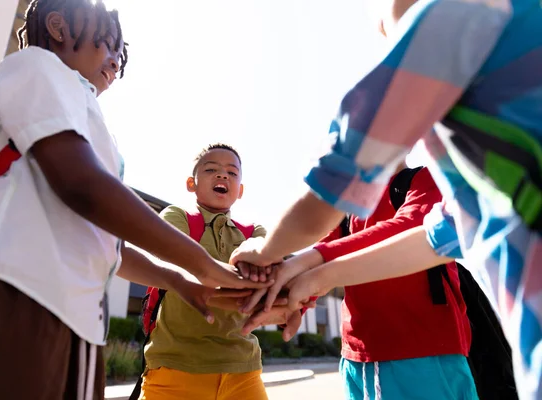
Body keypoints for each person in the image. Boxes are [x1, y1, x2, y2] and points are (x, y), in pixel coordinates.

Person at [0, 2, 267, 399]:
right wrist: (200, 264)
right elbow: (81, 186)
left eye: (120, 50)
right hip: (7, 293)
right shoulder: (37, 68)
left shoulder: (91, 121)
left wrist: (175, 279)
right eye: (108, 43)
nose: (115, 57)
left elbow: (103, 239)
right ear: (58, 26)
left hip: (75, 318)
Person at [231, 0, 542, 398]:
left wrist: (266, 249)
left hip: (424, 351)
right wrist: (309, 276)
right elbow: (436, 238)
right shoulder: (488, 162)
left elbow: (330, 190)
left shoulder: (452, 15)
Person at [243, 166, 476, 400]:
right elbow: (322, 253)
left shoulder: (424, 178)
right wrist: (293, 303)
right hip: (356, 358)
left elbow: (411, 227)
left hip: (422, 350)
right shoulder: (347, 210)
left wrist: (308, 269)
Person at [138, 143, 295, 400]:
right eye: (211, 169)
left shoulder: (254, 232)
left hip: (243, 371)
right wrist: (243, 279)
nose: (223, 175)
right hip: (175, 367)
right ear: (192, 183)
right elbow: (179, 261)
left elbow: (269, 268)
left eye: (232, 173)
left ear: (240, 190)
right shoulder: (177, 217)